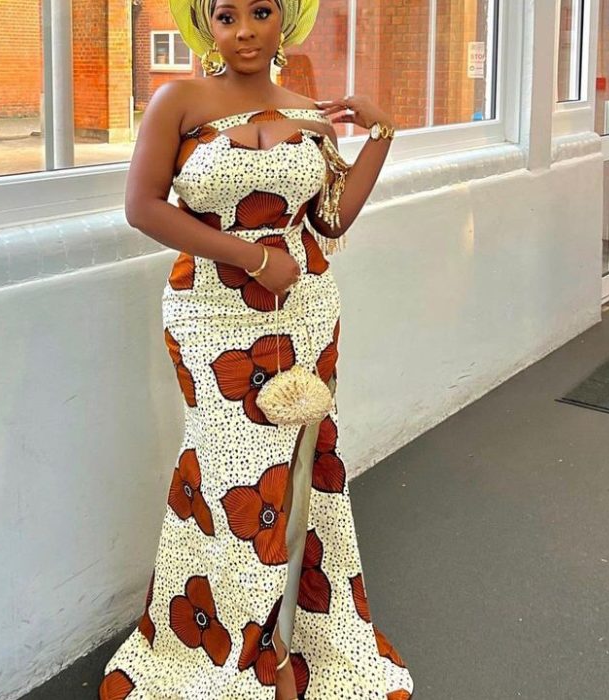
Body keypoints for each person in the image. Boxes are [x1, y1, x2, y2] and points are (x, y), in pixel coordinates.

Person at [99, 0, 414, 698]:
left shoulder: (307, 112)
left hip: (306, 313)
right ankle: (227, 649)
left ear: (286, 19)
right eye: (226, 15)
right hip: (212, 318)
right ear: (206, 25)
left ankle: (294, 640)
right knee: (232, 477)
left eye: (261, 11)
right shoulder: (178, 101)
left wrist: (381, 133)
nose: (244, 30)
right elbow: (143, 206)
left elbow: (330, 219)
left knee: (303, 469)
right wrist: (251, 256)